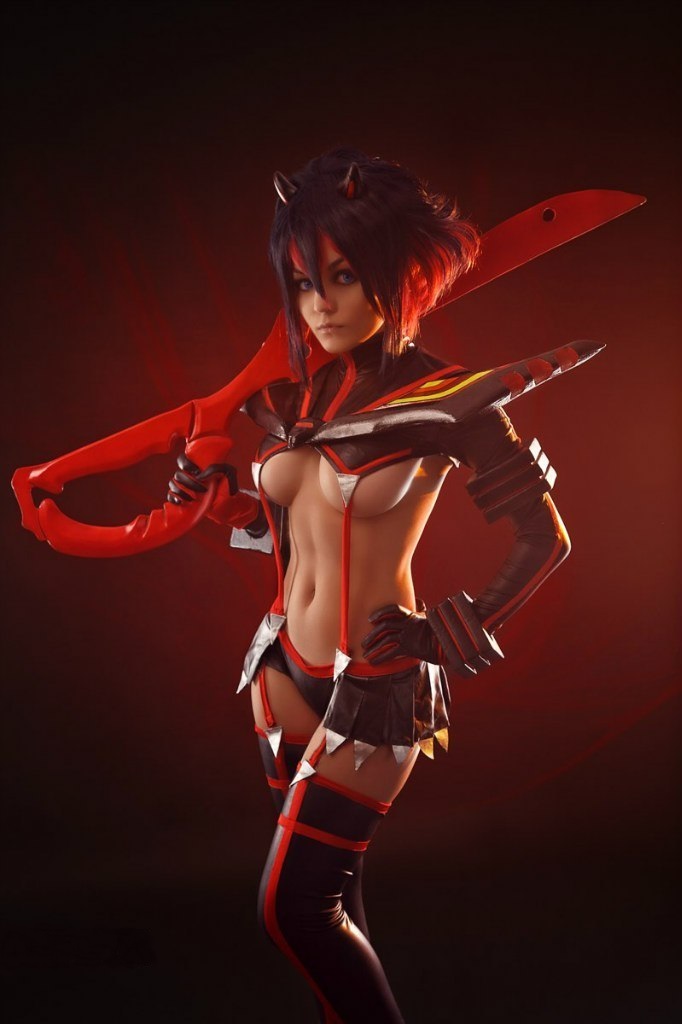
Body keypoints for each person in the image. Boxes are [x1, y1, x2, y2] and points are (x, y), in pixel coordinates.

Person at [166, 148, 572, 1023]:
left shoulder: (453, 399)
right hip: (280, 670)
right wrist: (208, 503)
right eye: (303, 283)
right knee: (336, 901)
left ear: (397, 272)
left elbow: (545, 536)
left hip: (377, 685)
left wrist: (452, 628)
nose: (320, 304)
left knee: (296, 913)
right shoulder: (297, 400)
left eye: (343, 277)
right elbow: (278, 532)